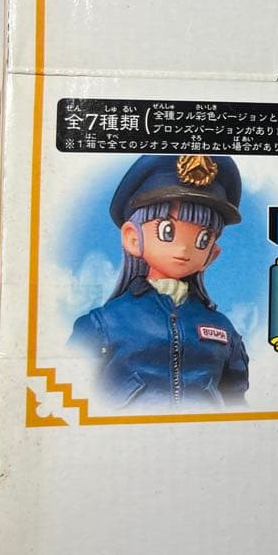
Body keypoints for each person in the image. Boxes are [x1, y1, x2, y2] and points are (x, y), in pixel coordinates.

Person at [68, 154, 249, 409]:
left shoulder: (222, 329)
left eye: (203, 239)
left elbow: (236, 399)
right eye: (168, 231)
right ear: (133, 238)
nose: (184, 249)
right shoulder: (105, 323)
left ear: (212, 254)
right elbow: (73, 394)